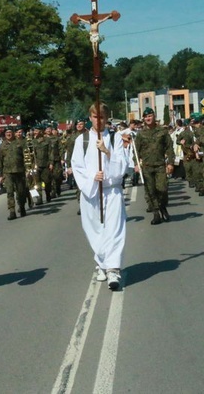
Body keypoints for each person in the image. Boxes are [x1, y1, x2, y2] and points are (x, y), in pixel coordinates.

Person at [72, 102, 131, 290]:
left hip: (111, 190)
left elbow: (122, 166)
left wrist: (107, 152)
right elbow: (77, 167)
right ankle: (102, 263)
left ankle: (113, 268)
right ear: (90, 118)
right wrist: (92, 178)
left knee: (114, 228)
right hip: (91, 191)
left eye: (102, 117)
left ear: (107, 118)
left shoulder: (115, 139)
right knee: (94, 229)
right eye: (95, 117)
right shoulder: (82, 141)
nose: (99, 120)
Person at [134, 107, 175, 225]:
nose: (148, 118)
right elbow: (136, 151)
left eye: (150, 116)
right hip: (147, 166)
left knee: (162, 189)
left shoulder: (162, 131)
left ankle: (163, 207)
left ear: (154, 117)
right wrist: (136, 163)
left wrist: (171, 163)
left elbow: (169, 148)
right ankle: (156, 213)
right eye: (146, 117)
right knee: (151, 191)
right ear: (143, 119)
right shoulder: (141, 134)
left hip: (160, 165)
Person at [0, 126, 27, 220]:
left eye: (10, 132)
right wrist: (0, 175)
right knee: (10, 192)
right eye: (7, 133)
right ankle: (12, 211)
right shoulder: (2, 146)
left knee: (21, 191)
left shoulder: (19, 143)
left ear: (13, 133)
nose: (8, 134)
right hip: (8, 173)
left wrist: (28, 170)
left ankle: (22, 207)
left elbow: (26, 157)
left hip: (19, 171)